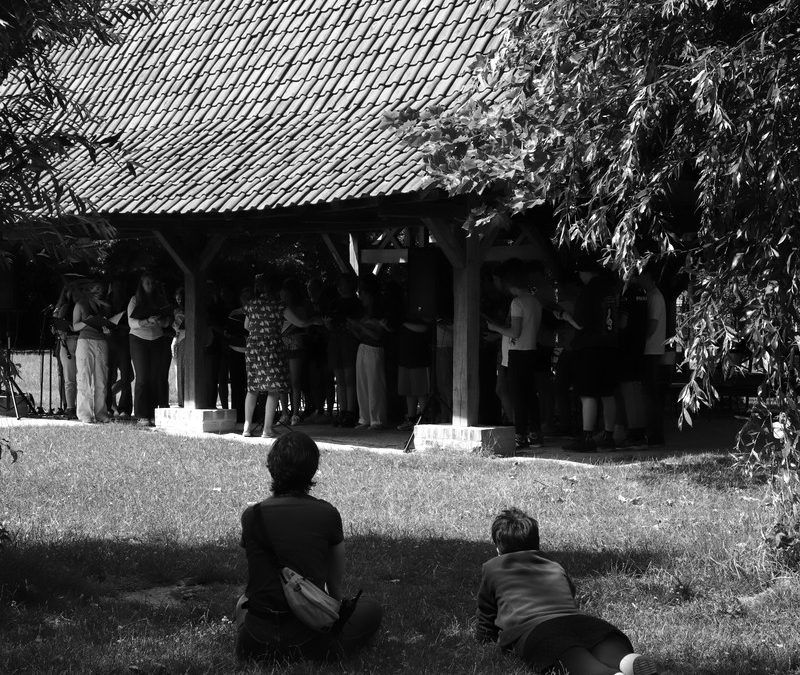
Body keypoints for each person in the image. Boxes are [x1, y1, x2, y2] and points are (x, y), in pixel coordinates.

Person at [235, 431, 383, 664]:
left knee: (242, 603)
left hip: (254, 641)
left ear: (271, 467)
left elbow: (256, 581)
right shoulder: (326, 514)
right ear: (312, 470)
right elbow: (335, 587)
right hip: (308, 640)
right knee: (371, 609)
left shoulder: (252, 516)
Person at [476, 507, 660, 675]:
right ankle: (626, 660)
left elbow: (486, 613)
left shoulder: (492, 568)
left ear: (499, 547)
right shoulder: (554, 565)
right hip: (580, 621)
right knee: (599, 642)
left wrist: (484, 639)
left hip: (537, 631)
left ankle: (607, 673)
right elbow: (569, 594)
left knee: (570, 656)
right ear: (537, 543)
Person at [563, 258, 621, 453]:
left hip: (589, 347)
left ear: (585, 273)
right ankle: (608, 435)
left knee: (587, 393)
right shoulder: (612, 290)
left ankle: (587, 437)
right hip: (611, 345)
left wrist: (563, 316)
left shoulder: (589, 291)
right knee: (607, 393)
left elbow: (580, 323)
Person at [486, 261, 544, 450]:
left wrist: (495, 327)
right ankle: (535, 434)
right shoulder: (535, 301)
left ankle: (520, 435)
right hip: (531, 351)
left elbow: (515, 332)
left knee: (518, 396)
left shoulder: (517, 302)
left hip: (518, 354)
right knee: (530, 396)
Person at [242, 274, 290, 438]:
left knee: (253, 388)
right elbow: (299, 321)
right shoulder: (279, 305)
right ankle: (267, 429)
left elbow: (246, 326)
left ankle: (247, 428)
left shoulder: (251, 305)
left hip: (254, 348)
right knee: (273, 388)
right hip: (272, 348)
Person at [128, 271, 171, 426]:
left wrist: (161, 321)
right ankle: (141, 414)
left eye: (152, 283)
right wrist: (146, 321)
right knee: (142, 377)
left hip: (157, 339)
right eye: (147, 283)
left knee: (155, 377)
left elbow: (167, 322)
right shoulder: (135, 300)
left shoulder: (160, 300)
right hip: (138, 340)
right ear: (142, 284)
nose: (150, 286)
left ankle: (153, 412)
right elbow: (131, 323)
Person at [281, 277, 323, 425]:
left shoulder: (299, 309)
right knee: (282, 381)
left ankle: (295, 413)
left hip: (296, 345)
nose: (283, 298)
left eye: (286, 295)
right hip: (281, 346)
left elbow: (304, 326)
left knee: (295, 381)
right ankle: (284, 413)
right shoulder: (278, 309)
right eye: (282, 295)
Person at [348, 275, 388, 430]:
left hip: (374, 349)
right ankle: (364, 418)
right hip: (363, 348)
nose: (360, 296)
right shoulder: (365, 311)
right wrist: (353, 328)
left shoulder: (378, 310)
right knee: (362, 385)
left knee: (374, 385)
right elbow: (361, 335)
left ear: (369, 294)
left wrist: (359, 325)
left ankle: (376, 419)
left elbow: (377, 335)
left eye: (362, 293)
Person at [72, 278, 111, 424]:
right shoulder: (80, 304)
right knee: (84, 377)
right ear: (89, 290)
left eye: (102, 289)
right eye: (97, 288)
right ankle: (85, 414)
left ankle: (101, 413)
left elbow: (108, 326)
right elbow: (74, 326)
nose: (100, 292)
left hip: (101, 341)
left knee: (101, 379)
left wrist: (107, 329)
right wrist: (88, 322)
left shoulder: (105, 306)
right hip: (85, 342)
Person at [325, 274, 362, 428]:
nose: (340, 287)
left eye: (343, 284)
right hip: (335, 340)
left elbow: (358, 324)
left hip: (349, 341)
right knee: (339, 378)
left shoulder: (357, 303)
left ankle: (351, 412)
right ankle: (342, 411)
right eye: (339, 284)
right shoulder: (334, 303)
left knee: (349, 378)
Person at [637, 266, 667, 447]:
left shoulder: (655, 297)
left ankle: (654, 435)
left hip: (651, 351)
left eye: (640, 275)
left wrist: (638, 342)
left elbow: (652, 326)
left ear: (648, 276)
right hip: (652, 350)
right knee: (651, 394)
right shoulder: (652, 295)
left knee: (650, 395)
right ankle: (654, 434)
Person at [105, 277, 133, 419]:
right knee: (109, 376)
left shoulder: (128, 301)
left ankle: (125, 409)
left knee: (127, 376)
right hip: (110, 341)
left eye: (120, 285)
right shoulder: (106, 301)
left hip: (124, 341)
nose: (118, 288)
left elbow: (131, 322)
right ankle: (108, 407)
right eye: (115, 285)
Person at [52, 283, 79, 419]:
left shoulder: (81, 305)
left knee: (79, 377)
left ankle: (79, 406)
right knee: (68, 377)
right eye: (68, 291)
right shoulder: (62, 307)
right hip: (65, 343)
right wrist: (57, 327)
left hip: (78, 340)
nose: (71, 294)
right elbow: (54, 329)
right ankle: (70, 407)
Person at [225, 286, 252, 424]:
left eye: (249, 297)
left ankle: (251, 416)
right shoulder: (234, 313)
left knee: (251, 386)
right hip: (235, 350)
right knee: (236, 385)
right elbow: (228, 333)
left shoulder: (255, 312)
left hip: (250, 352)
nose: (246, 300)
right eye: (244, 297)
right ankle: (237, 414)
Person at [171, 287, 186, 407]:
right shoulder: (176, 311)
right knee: (179, 370)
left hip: (186, 339)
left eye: (181, 299)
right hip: (179, 340)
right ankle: (181, 400)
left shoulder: (189, 311)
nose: (179, 301)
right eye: (177, 299)